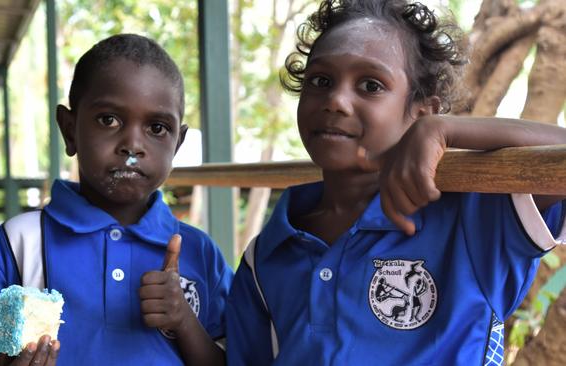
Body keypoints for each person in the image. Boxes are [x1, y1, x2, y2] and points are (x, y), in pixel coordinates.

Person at [225, 0, 566, 365]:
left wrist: (446, 130)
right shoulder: (267, 255)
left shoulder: (474, 219)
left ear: (420, 112)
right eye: (320, 81)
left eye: (370, 85)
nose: (336, 101)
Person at [0, 34, 232, 366]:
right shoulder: (19, 242)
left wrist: (184, 319)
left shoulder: (200, 252)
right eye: (109, 119)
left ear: (177, 144)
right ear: (69, 130)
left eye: (157, 127)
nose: (133, 145)